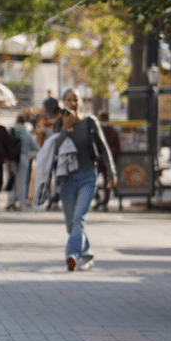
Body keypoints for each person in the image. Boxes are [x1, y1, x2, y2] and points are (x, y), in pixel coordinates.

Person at [48, 89, 117, 270]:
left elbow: (103, 147)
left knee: (79, 218)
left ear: (81, 102)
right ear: (64, 102)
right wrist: (64, 128)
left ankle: (71, 255)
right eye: (69, 100)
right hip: (67, 179)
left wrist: (112, 173)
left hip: (88, 175)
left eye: (75, 100)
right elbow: (55, 150)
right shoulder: (59, 123)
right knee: (71, 222)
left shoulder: (90, 122)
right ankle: (87, 254)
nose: (72, 103)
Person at [10, 115, 38, 210]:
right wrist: (30, 156)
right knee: (22, 181)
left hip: (12, 158)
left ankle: (11, 200)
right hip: (24, 158)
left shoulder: (12, 131)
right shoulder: (27, 133)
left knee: (12, 180)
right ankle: (22, 203)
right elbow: (35, 147)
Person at [95, 111, 122, 211]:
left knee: (92, 181)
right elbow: (118, 148)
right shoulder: (113, 130)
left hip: (97, 161)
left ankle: (98, 199)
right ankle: (104, 202)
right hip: (108, 161)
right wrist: (113, 159)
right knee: (108, 183)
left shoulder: (96, 130)